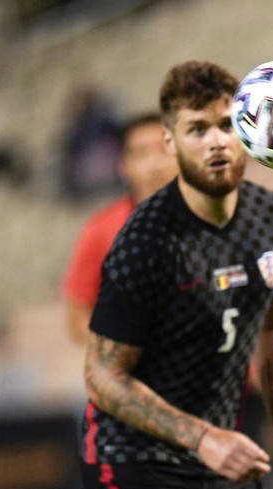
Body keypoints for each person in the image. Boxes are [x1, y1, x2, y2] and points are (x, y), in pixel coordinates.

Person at [80, 60, 273, 489]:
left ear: (246, 128)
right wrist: (203, 438)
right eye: (198, 129)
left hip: (221, 456)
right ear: (172, 143)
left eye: (224, 124)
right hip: (134, 461)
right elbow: (103, 376)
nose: (216, 142)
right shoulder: (143, 241)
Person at [63, 112, 178, 345]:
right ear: (124, 165)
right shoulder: (101, 230)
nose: (155, 164)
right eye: (142, 153)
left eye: (163, 150)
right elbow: (78, 317)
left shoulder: (220, 217)